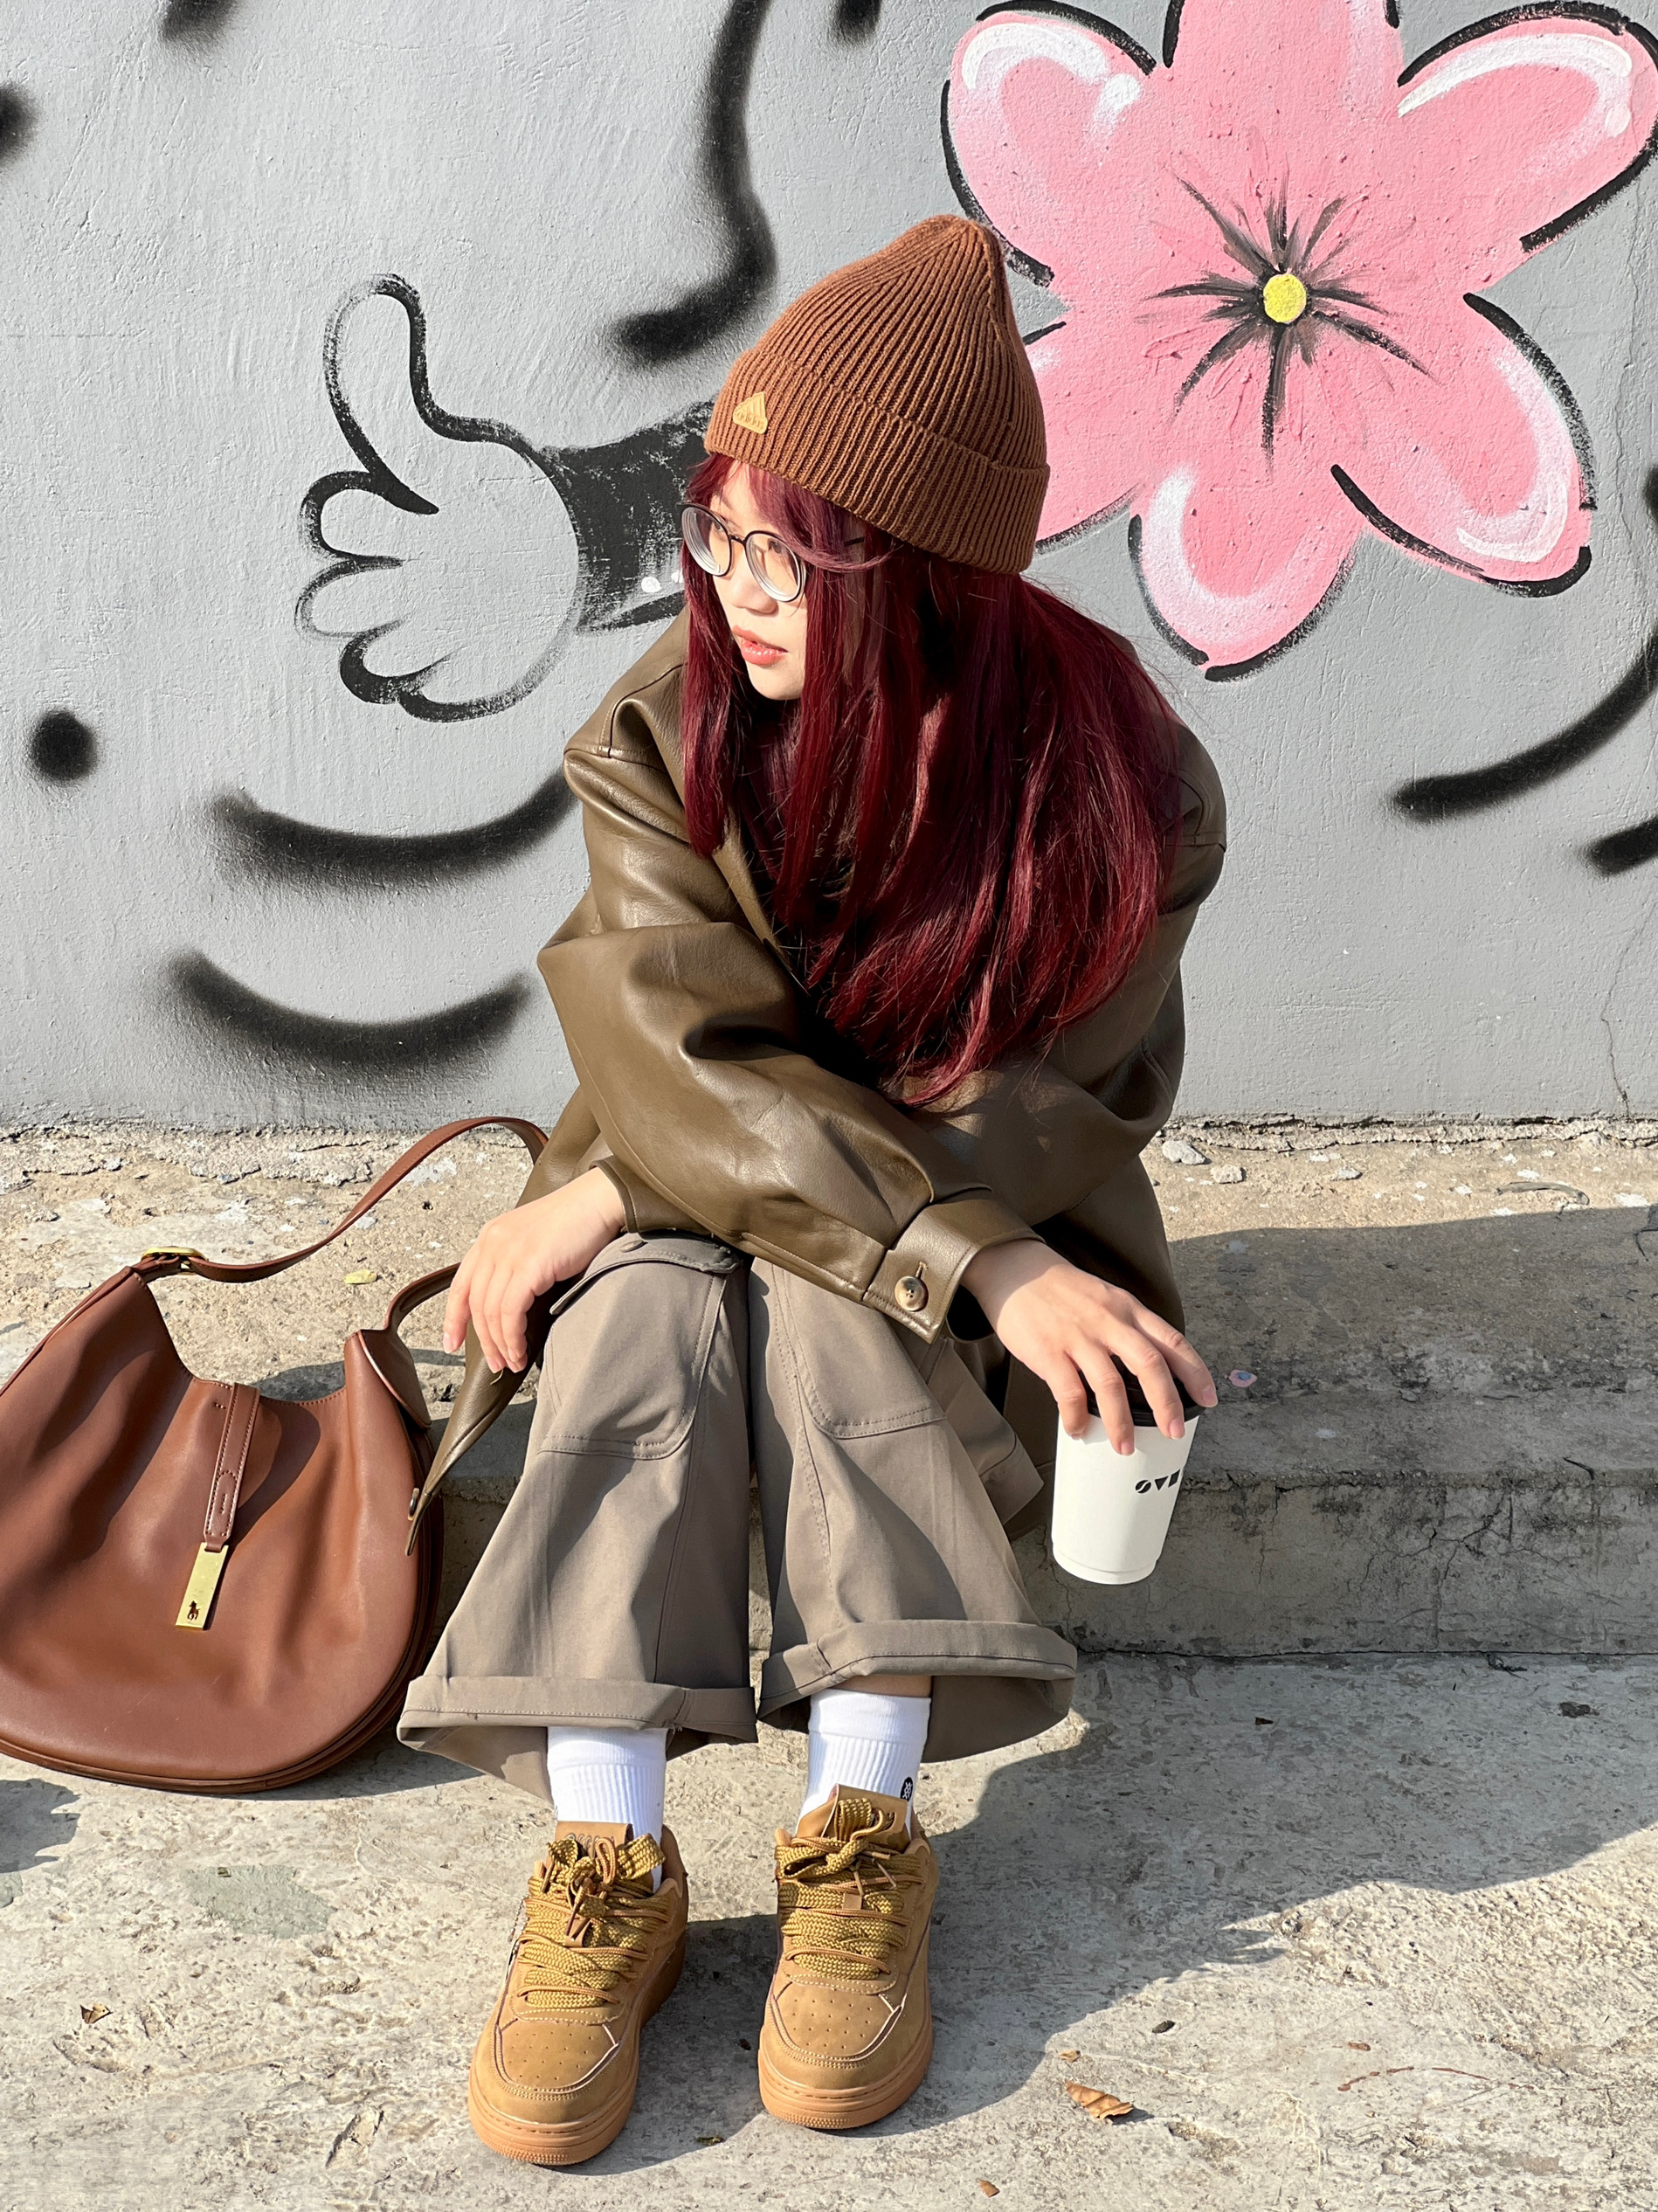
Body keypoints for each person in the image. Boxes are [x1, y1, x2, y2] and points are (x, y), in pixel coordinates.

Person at [397, 214, 1226, 2167]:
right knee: (653, 1316)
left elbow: (1034, 1102)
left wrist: (956, 1251)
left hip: (961, 1206)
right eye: (719, 535)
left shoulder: (1124, 788)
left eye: (793, 557)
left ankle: (863, 1828)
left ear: (927, 578)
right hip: (743, 1184)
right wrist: (637, 1190)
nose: (735, 591)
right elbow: (675, 1050)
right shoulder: (662, 730)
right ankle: (607, 1854)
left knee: (840, 1304)